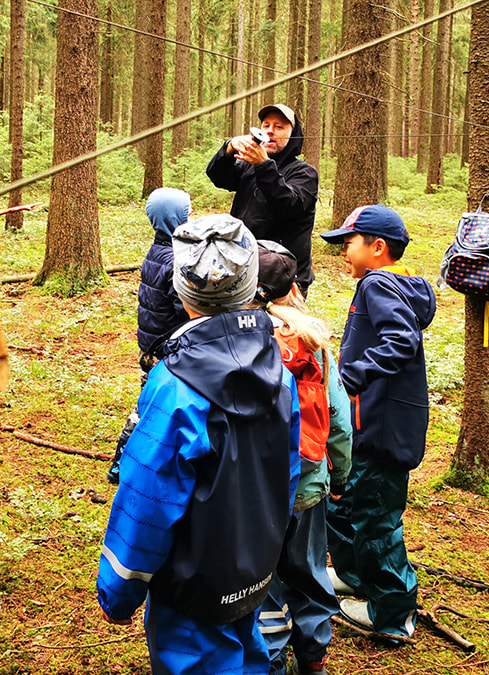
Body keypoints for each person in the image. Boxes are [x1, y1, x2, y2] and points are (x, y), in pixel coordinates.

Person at [97, 214, 302, 675]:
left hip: (190, 585)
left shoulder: (174, 387)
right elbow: (287, 475)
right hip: (253, 569)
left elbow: (147, 499)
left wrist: (119, 589)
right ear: (248, 285)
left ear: (182, 292)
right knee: (248, 655)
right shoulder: (279, 368)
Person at [318, 204, 437, 644]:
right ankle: (353, 575)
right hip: (369, 426)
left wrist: (347, 379)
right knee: (343, 505)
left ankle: (392, 612)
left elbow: (400, 340)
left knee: (375, 519)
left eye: (348, 243)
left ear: (378, 247)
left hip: (380, 432)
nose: (343, 252)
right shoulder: (388, 284)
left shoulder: (377, 283)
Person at [250, 243, 353, 675]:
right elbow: (340, 422)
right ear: (294, 288)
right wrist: (340, 478)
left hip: (258, 490)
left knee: (265, 580)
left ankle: (270, 657)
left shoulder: (243, 341)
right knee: (310, 571)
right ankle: (314, 659)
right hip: (310, 484)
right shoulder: (316, 343)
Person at [106, 187, 193, 484]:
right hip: (166, 349)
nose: (191, 216)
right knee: (148, 407)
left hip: (152, 346)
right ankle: (122, 461)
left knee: (149, 404)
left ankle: (130, 461)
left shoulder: (157, 251)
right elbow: (184, 308)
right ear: (176, 219)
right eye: (187, 212)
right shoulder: (176, 260)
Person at [205, 103, 319, 295]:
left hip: (284, 279)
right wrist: (228, 148)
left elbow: (289, 206)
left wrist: (263, 165)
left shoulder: (304, 173)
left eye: (279, 127)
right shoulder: (248, 166)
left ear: (293, 134)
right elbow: (218, 177)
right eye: (266, 125)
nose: (270, 131)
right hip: (243, 270)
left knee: (279, 326)